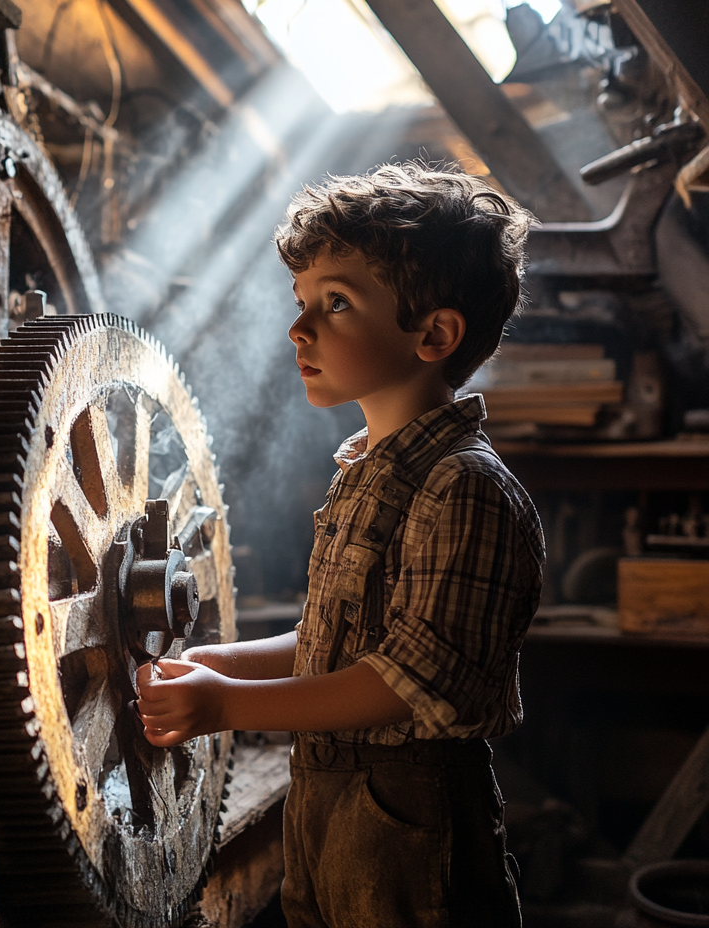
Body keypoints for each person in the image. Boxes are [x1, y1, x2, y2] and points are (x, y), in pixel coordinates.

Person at [135, 162, 545, 928]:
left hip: (413, 817)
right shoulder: (366, 470)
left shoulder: (465, 489)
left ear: (434, 334)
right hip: (328, 797)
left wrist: (230, 705)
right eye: (302, 302)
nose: (299, 329)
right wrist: (223, 663)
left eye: (336, 303)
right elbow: (342, 643)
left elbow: (406, 682)